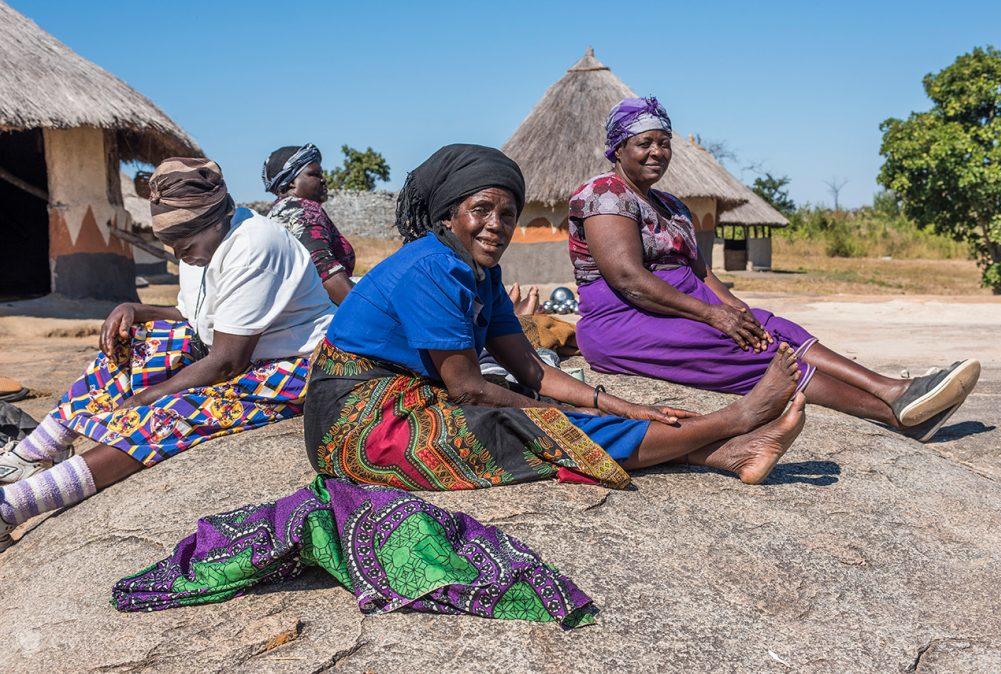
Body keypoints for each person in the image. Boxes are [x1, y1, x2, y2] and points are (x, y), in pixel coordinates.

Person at [303, 144, 807, 495]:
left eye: (507, 214)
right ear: (449, 217)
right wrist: (575, 413)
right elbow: (469, 390)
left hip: (407, 397)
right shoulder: (430, 268)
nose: (496, 226)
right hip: (357, 424)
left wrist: (623, 405)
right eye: (482, 210)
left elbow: (533, 370)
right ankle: (735, 421)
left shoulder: (482, 274)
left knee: (549, 410)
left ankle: (728, 453)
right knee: (525, 426)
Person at [570, 97, 980, 443]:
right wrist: (714, 315)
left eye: (664, 142)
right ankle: (897, 416)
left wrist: (739, 311)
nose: (657, 151)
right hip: (624, 320)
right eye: (645, 143)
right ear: (619, 147)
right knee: (761, 355)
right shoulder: (605, 194)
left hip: (683, 305)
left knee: (773, 330)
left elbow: (703, 275)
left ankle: (895, 390)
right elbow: (629, 280)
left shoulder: (673, 205)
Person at [0, 158, 335, 551]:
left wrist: (147, 397)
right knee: (126, 349)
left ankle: (12, 507)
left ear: (216, 220)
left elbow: (228, 361)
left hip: (297, 363)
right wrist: (136, 311)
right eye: (171, 248)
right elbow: (200, 318)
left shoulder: (255, 244)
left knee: (173, 413)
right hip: (235, 350)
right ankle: (33, 455)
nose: (179, 256)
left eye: (185, 246)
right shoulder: (200, 245)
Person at [263, 144, 356, 304]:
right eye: (315, 174)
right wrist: (370, 313)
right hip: (315, 320)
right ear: (291, 181)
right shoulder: (302, 209)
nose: (323, 180)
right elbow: (325, 271)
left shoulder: (278, 211)